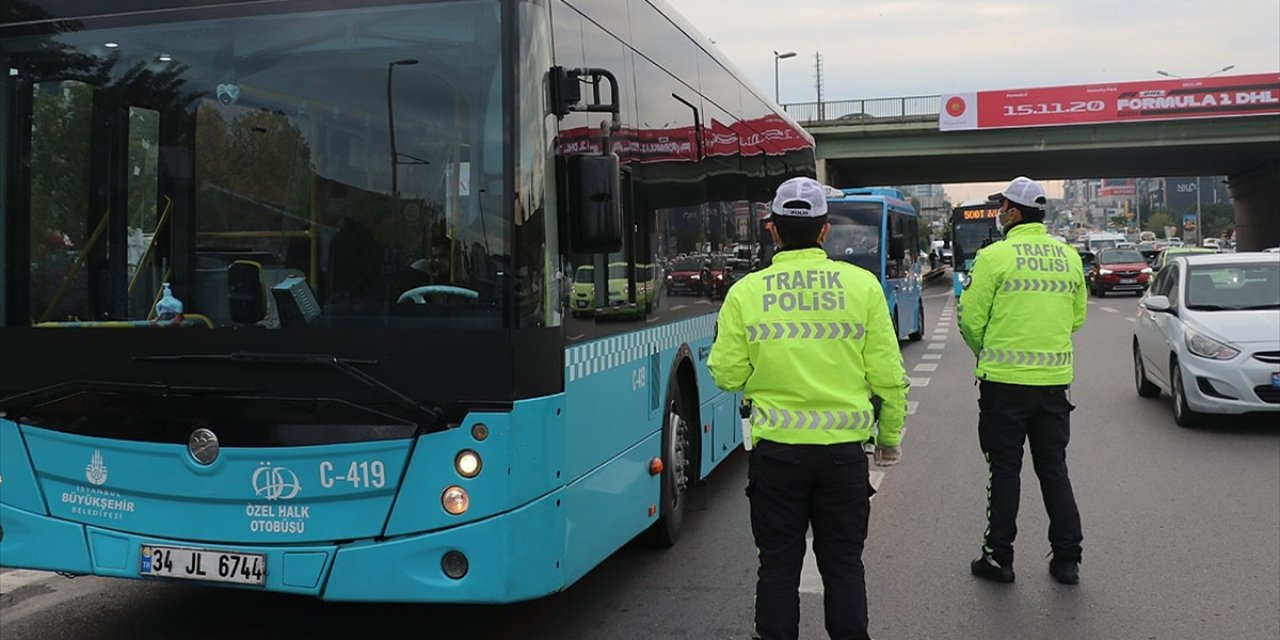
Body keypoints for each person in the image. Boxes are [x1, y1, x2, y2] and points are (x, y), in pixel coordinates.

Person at [708, 176, 909, 640]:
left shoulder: (746, 293)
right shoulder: (862, 287)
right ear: (825, 231)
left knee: (777, 567)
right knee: (843, 565)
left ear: (772, 229)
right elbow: (888, 377)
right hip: (843, 457)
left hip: (777, 456)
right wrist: (890, 438)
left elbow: (726, 375)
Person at [958, 176, 1086, 585]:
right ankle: (1068, 560)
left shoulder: (995, 257)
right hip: (1053, 385)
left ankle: (999, 558)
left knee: (1005, 472)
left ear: (1013, 213)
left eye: (1002, 207)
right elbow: (1077, 318)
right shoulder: (1068, 257)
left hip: (1004, 387)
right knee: (1054, 469)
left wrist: (988, 351)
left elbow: (970, 320)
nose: (999, 213)